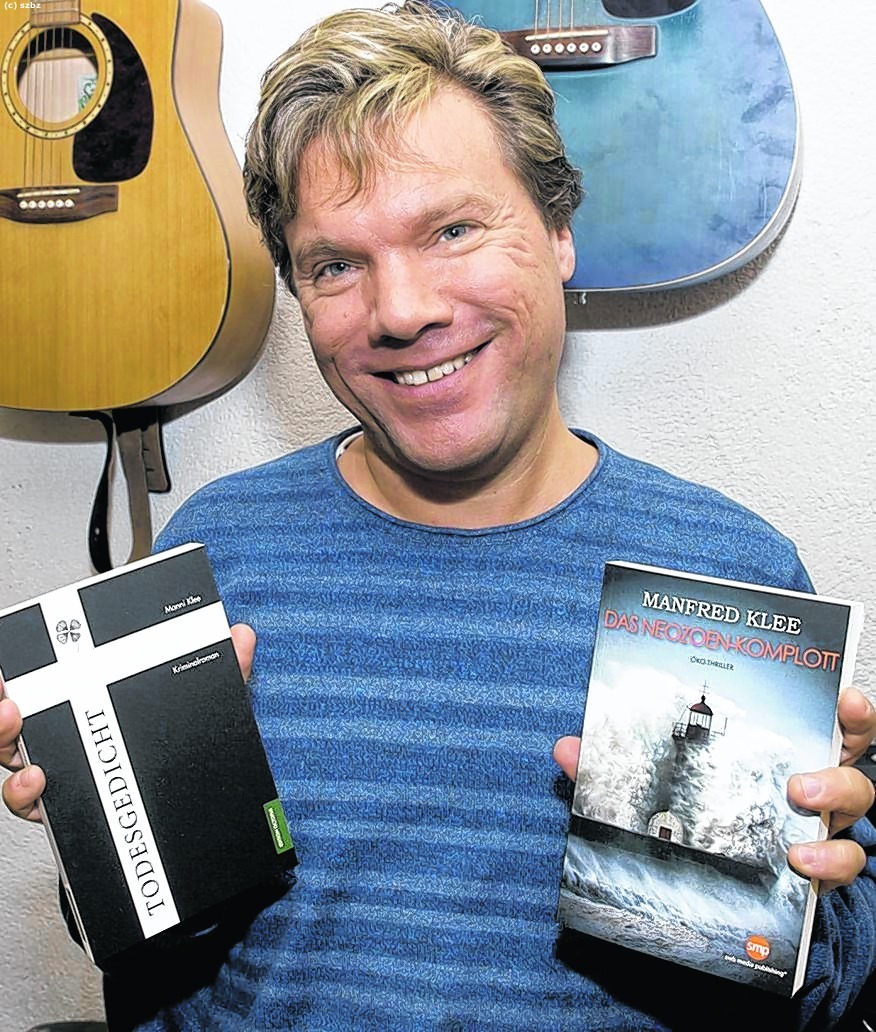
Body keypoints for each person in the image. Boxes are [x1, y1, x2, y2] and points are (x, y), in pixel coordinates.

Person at [2, 3, 875, 1028]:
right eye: (336, 264)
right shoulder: (222, 551)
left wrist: (804, 906)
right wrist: (110, 836)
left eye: (453, 230)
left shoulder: (728, 574)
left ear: (558, 233)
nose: (402, 309)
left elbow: (822, 989)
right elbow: (143, 962)